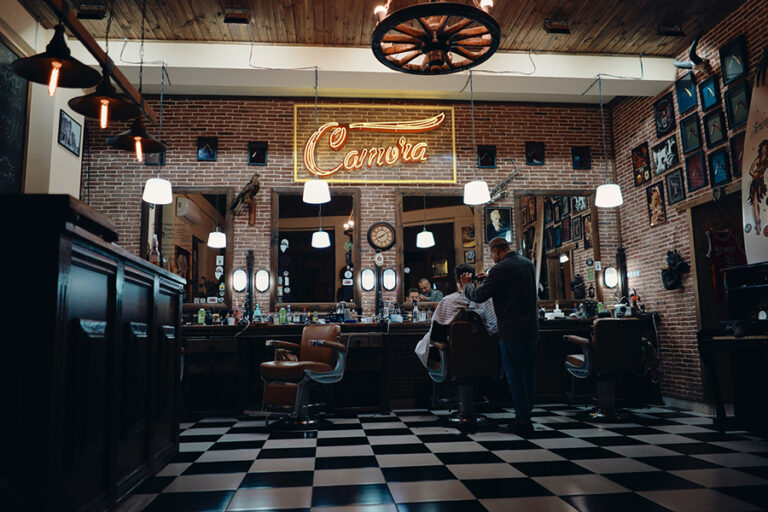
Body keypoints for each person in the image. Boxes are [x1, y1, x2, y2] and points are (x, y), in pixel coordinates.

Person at [460, 237, 539, 434]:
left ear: (496, 251)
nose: (492, 258)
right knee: (528, 375)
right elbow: (513, 288)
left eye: (491, 254)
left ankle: (522, 421)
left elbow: (479, 296)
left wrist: (467, 285)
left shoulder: (500, 269)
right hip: (531, 328)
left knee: (515, 376)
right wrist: (488, 278)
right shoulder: (528, 264)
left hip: (512, 329)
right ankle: (526, 415)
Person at [415, 263, 498, 368]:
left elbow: (436, 332)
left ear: (457, 279)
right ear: (474, 278)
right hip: (484, 357)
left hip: (456, 358)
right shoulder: (486, 301)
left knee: (425, 344)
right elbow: (494, 329)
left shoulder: (448, 301)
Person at [748, 140, 768, 235]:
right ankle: (757, 224)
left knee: (759, 202)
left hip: (761, 182)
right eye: (763, 148)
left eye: (766, 148)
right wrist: (755, 176)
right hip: (755, 182)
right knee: (755, 203)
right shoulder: (758, 159)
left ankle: (759, 222)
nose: (764, 150)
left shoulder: (766, 160)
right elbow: (750, 171)